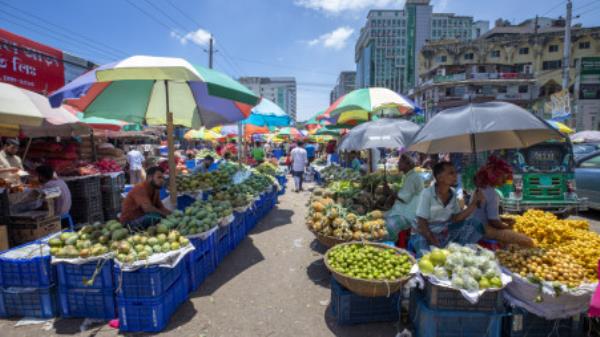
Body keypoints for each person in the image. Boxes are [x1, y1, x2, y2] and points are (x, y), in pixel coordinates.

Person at [409, 161, 485, 257]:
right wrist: (432, 240)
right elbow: (421, 222)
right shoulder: (427, 193)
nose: (455, 175)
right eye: (451, 173)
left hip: (442, 230)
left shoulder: (452, 193)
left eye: (455, 172)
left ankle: (459, 253)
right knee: (428, 258)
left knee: (474, 223)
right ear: (440, 178)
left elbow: (455, 218)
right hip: (423, 232)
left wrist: (473, 204)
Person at [471, 156, 534, 248]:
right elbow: (493, 221)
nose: (505, 180)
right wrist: (508, 228)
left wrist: (504, 219)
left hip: (474, 227)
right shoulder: (492, 193)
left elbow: (485, 215)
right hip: (484, 230)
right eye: (503, 177)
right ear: (494, 176)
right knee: (527, 241)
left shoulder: (480, 189)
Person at [385, 154, 425, 240]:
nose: (398, 164)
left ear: (407, 164)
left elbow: (404, 198)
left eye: (400, 162)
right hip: (407, 210)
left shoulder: (412, 178)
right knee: (383, 217)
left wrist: (390, 192)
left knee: (387, 226)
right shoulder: (411, 176)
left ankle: (391, 245)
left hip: (408, 214)